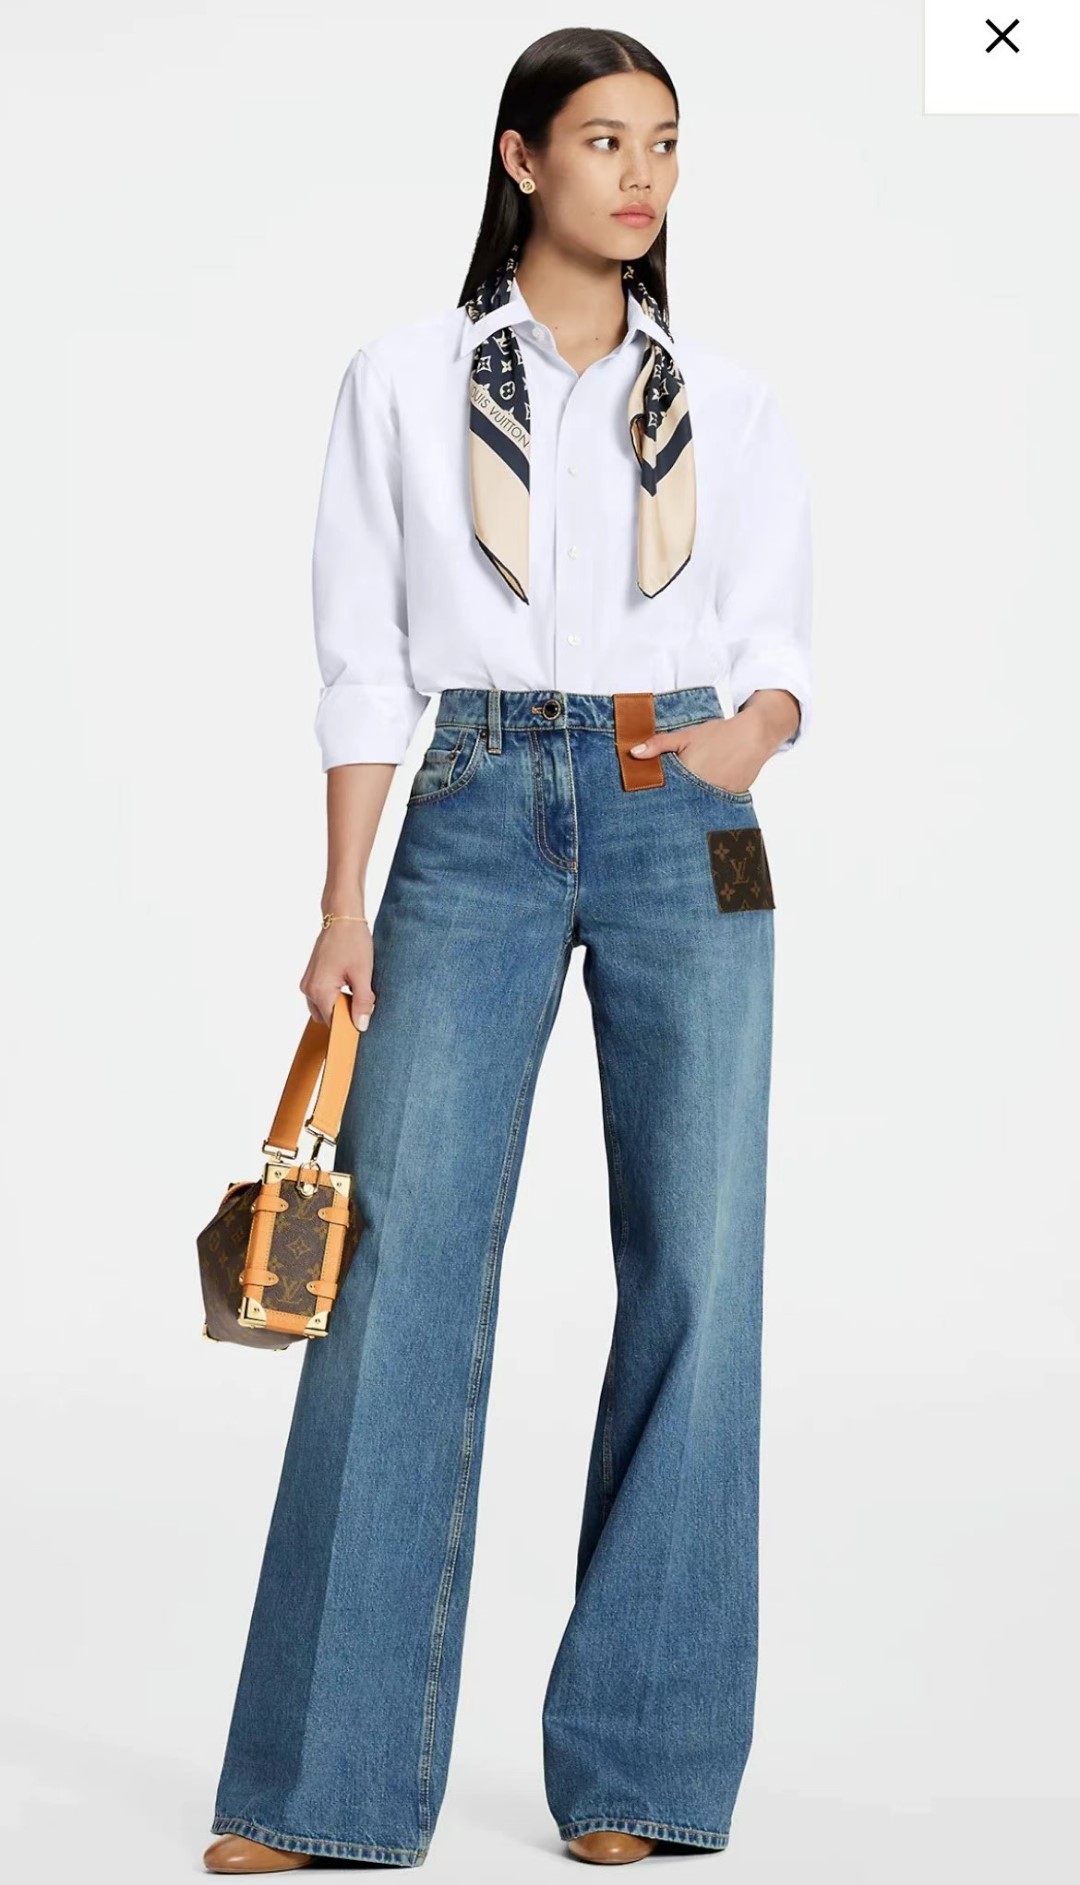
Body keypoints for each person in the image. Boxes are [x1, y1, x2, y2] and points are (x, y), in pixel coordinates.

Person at [203, 24, 812, 1875]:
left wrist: (749, 736)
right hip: (469, 802)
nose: (643, 176)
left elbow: (776, 639)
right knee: (395, 1268)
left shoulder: (728, 401)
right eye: (605, 140)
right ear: (521, 156)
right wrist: (341, 898)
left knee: (701, 1264)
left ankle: (642, 1767)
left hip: (690, 814)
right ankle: (324, 1786)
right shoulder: (402, 382)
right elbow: (361, 655)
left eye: (667, 144)